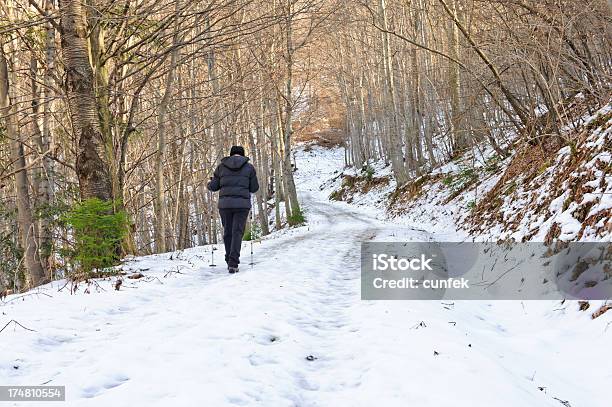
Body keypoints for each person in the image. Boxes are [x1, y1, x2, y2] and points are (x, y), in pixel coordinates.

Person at [207, 146, 259, 273]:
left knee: (228, 232)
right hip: (242, 205)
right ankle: (233, 262)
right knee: (237, 232)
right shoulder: (249, 167)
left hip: (225, 205)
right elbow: (254, 188)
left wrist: (210, 182)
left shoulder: (221, 167)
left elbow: (213, 187)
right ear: (242, 155)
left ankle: (229, 259)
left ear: (230, 155)